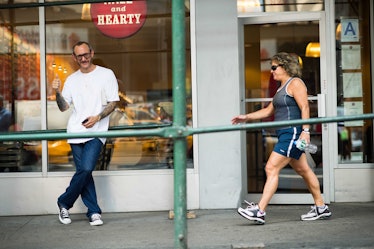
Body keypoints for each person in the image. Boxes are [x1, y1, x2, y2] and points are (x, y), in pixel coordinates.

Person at [231, 52, 331, 225]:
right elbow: (269, 110)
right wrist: (246, 116)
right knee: (304, 170)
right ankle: (321, 207)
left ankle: (259, 210)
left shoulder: (296, 83)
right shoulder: (281, 87)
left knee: (271, 168)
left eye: (274, 67)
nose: (271, 71)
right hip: (284, 133)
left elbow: (305, 106)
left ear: (284, 66)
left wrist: (305, 131)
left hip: (292, 132)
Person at [52, 41, 119, 226]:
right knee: (84, 172)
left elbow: (114, 102)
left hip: (96, 131)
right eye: (79, 56)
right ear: (74, 58)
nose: (83, 58)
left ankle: (64, 202)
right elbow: (63, 107)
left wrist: (97, 117)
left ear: (92, 52)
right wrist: (57, 91)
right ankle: (94, 212)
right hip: (75, 131)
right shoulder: (72, 79)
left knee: (87, 168)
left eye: (86, 54)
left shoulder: (106, 74)